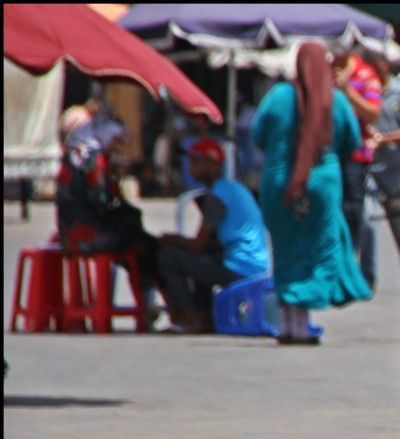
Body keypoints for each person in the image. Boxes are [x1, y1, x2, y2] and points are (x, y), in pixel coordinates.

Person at [252, 41, 371, 345]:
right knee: (318, 247)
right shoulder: (335, 100)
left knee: (286, 247)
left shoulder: (277, 96)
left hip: (279, 181)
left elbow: (258, 135)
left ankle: (288, 323)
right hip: (323, 182)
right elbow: (352, 141)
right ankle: (303, 324)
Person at [155, 139, 270, 334]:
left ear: (214, 164)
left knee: (168, 256)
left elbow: (197, 245)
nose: (190, 168)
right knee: (201, 263)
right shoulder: (233, 188)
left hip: (239, 266)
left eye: (196, 162)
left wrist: (170, 239)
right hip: (253, 263)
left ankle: (189, 318)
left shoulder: (219, 194)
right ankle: (205, 317)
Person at [55, 113, 161, 322]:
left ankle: (136, 305)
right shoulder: (95, 158)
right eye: (116, 140)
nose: (118, 146)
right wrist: (114, 180)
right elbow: (101, 199)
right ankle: (146, 306)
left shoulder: (77, 151)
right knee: (145, 246)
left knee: (133, 234)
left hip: (70, 231)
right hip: (89, 234)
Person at [363, 50, 400, 291]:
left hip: (396, 171)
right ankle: (367, 277)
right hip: (369, 168)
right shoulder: (364, 91)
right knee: (367, 220)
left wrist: (382, 139)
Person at [332, 44, 383, 291]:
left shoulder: (365, 75)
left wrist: (346, 91)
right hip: (329, 154)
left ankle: (350, 271)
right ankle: (336, 269)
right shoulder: (326, 70)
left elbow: (373, 113)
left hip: (356, 156)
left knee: (354, 213)